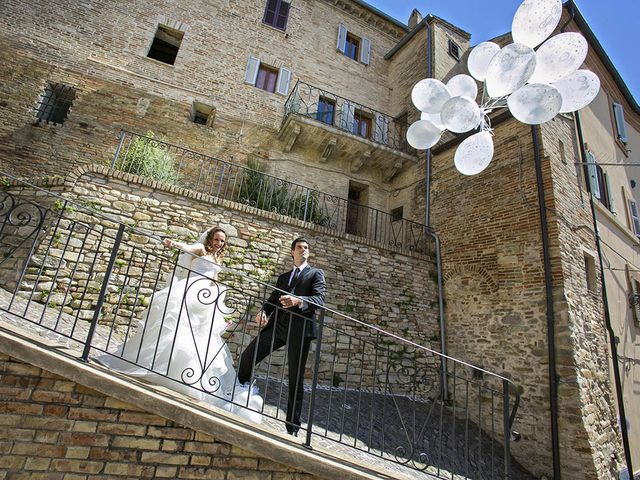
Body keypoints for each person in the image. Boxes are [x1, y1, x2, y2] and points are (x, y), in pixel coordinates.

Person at [96, 227, 263, 422]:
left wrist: (219, 306)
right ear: (210, 239)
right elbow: (188, 247)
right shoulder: (201, 249)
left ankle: (192, 378)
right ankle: (161, 367)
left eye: (222, 241)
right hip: (189, 293)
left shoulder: (218, 258)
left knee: (202, 338)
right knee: (177, 329)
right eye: (217, 239)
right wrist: (173, 244)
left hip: (206, 300)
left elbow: (214, 281)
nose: (219, 243)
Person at [237, 237, 326, 436]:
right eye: (299, 247)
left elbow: (319, 299)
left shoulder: (315, 274)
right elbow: (271, 301)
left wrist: (298, 300)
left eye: (306, 248)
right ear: (292, 252)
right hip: (277, 327)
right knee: (247, 357)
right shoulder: (283, 277)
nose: (303, 250)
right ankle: (238, 397)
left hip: (300, 330)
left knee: (295, 378)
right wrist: (264, 312)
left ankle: (292, 427)